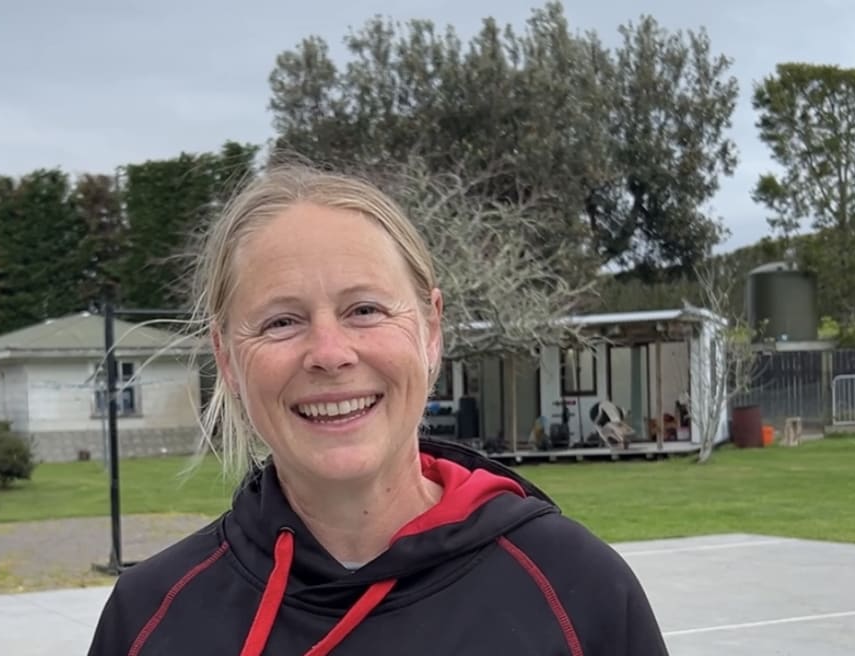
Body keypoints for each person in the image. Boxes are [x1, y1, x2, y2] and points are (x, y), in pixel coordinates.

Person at [87, 164, 669, 655]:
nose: (329, 354)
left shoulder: (578, 593)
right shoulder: (149, 620)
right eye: (281, 321)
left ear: (432, 329)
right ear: (227, 356)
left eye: (364, 309)